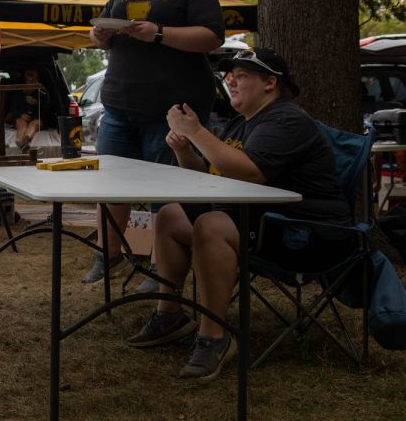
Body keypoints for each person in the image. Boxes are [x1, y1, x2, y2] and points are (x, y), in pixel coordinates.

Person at [126, 47, 350, 381]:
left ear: (270, 83)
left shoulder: (286, 119)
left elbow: (249, 172)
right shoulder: (242, 123)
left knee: (211, 225)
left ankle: (214, 337)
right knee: (173, 215)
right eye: (230, 75)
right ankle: (169, 314)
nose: (230, 81)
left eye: (241, 76)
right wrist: (184, 148)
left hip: (305, 231)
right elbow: (208, 175)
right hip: (260, 220)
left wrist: (196, 131)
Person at [85, 0, 224, 284]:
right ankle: (109, 256)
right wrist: (99, 35)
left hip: (171, 113)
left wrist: (160, 33)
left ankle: (163, 267)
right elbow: (100, 34)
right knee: (111, 185)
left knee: (167, 193)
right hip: (118, 107)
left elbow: (211, 37)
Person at [9, 67, 51, 150]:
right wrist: (20, 115)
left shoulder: (42, 91)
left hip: (37, 118)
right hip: (22, 117)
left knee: (34, 123)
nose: (31, 79)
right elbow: (13, 107)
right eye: (29, 77)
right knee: (20, 123)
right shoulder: (18, 90)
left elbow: (48, 109)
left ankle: (24, 141)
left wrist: (37, 102)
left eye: (33, 78)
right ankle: (21, 142)